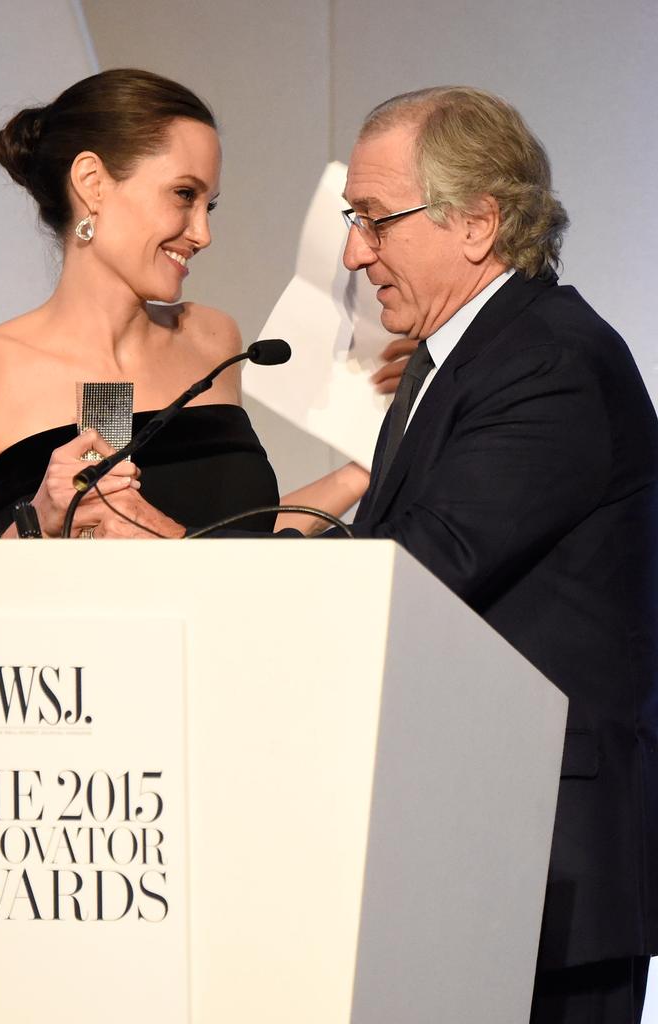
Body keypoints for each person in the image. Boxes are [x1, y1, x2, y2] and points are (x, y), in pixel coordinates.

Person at [135, 86, 658, 1022]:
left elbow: (413, 573)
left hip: (545, 863)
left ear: (478, 221)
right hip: (464, 849)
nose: (352, 253)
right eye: (351, 221)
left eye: (375, 219)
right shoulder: (455, 356)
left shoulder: (550, 362)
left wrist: (196, 570)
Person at [0, 68, 389, 540]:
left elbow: (236, 542)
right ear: (91, 182)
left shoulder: (213, 339)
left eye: (210, 205)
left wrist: (368, 465)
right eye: (184, 194)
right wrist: (40, 522)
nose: (203, 234)